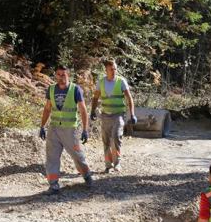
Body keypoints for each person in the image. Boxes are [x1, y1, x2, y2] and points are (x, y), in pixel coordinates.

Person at [39, 65, 94, 193]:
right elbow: (47, 108)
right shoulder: (51, 89)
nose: (60, 77)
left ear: (68, 75)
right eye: (58, 74)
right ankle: (53, 185)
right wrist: (42, 126)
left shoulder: (75, 89)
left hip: (70, 130)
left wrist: (85, 129)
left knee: (77, 156)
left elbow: (83, 110)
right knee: (51, 157)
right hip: (54, 129)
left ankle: (86, 175)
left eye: (63, 74)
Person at [90, 58, 137, 173]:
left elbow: (129, 98)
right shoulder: (101, 82)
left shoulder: (121, 81)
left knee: (116, 138)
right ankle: (108, 165)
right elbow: (95, 97)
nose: (114, 71)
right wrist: (92, 111)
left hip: (118, 115)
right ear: (106, 70)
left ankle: (117, 163)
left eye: (115, 69)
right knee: (106, 141)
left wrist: (132, 114)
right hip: (105, 115)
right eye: (111, 69)